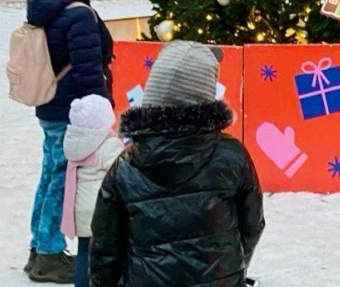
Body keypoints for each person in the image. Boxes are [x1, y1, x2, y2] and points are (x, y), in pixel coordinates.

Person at [89, 41, 265, 287]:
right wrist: (230, 268)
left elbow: (105, 249)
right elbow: (252, 225)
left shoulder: (125, 167)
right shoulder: (232, 156)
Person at [26, 0, 114, 284]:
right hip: (72, 108)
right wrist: (99, 106)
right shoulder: (77, 13)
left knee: (51, 174)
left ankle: (39, 247)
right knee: (64, 178)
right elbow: (88, 68)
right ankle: (49, 254)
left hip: (50, 102)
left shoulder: (46, 5)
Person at [60, 96, 124, 287]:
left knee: (83, 254)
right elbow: (119, 174)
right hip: (100, 210)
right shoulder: (109, 144)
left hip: (79, 210)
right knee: (103, 256)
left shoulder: (74, 141)